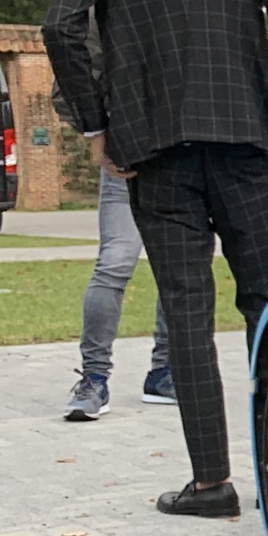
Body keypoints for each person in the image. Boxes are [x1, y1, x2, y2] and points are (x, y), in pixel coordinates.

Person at [41, 0, 268, 518]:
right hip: (249, 139)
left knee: (187, 315)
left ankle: (211, 483)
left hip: (153, 150)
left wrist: (97, 124)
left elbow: (60, 26)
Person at [61, 166, 175, 421]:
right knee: (113, 265)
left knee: (178, 268)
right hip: (126, 159)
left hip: (183, 160)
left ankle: (163, 373)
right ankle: (95, 380)